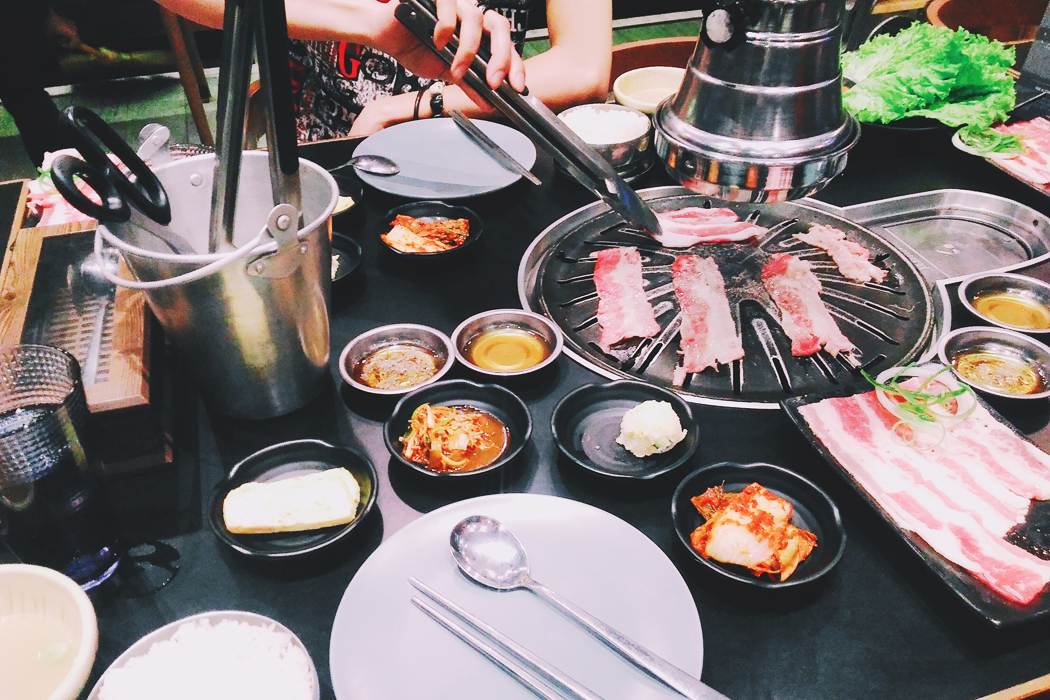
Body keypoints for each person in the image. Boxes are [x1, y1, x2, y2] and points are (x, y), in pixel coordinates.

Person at [160, 0, 611, 141]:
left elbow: (583, 67)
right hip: (334, 146)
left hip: (475, 136)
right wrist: (368, 21)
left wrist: (405, 107)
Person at [159, 0, 527, 119]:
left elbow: (567, 66)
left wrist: (401, 108)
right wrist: (366, 20)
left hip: (483, 127)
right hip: (336, 136)